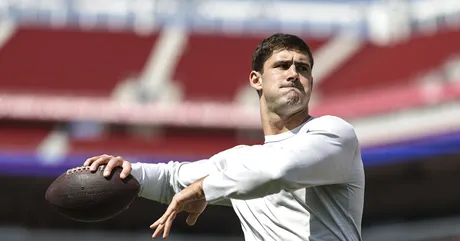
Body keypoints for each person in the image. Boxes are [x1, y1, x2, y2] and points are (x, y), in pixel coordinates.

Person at [84, 33, 365, 240]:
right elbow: (172, 180)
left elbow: (280, 170)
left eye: (302, 68)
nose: (294, 74)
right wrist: (126, 171)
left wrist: (204, 188)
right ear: (256, 80)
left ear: (311, 82)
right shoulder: (241, 162)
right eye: (282, 66)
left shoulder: (334, 133)